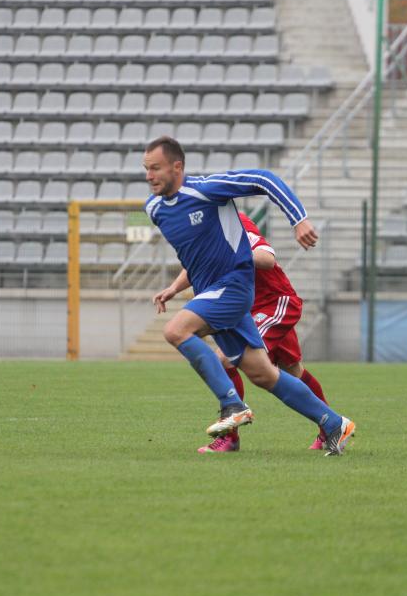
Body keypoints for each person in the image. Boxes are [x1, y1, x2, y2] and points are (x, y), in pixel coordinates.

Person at [145, 136, 355, 456]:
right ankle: (333, 423)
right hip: (214, 293)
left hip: (234, 287)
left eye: (156, 168)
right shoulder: (155, 209)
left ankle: (232, 405)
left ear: (177, 167)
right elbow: (197, 255)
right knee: (263, 374)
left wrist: (299, 219)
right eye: (146, 169)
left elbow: (263, 179)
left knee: (176, 330)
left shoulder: (206, 190)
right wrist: (175, 288)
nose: (149, 176)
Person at [155, 211, 334, 453]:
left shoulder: (233, 222)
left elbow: (267, 258)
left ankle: (230, 438)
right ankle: (331, 427)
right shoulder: (203, 226)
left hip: (274, 302)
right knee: (293, 370)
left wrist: (230, 254)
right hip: (246, 309)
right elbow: (197, 265)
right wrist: (174, 288)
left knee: (225, 359)